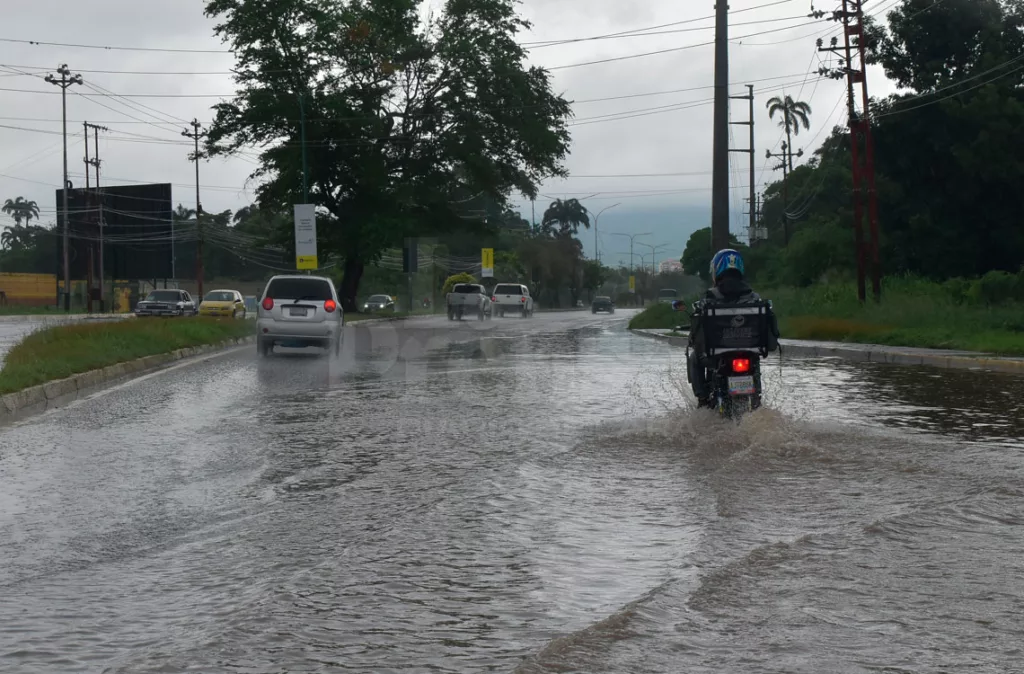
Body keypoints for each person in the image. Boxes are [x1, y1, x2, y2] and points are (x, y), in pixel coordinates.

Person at [683, 248, 778, 406]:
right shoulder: (754, 297)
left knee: (694, 358)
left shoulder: (710, 297)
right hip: (749, 351)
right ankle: (756, 398)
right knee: (754, 360)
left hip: (717, 354)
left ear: (717, 269)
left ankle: (703, 400)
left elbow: (699, 324)